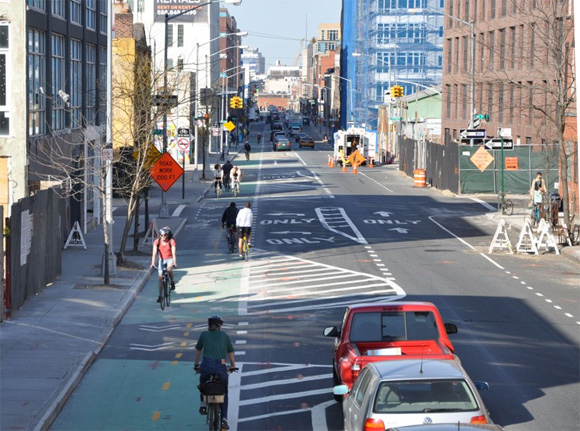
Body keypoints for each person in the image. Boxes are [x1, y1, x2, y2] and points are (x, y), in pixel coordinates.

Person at [194, 315, 236, 431]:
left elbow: (198, 351)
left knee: (202, 381)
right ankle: (224, 419)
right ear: (219, 326)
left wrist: (196, 366)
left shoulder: (204, 335)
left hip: (206, 366)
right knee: (224, 392)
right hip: (221, 367)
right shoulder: (224, 336)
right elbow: (230, 352)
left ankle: (202, 404)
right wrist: (233, 366)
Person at [151, 226, 177, 303]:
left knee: (169, 269)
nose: (163, 237)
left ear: (168, 235)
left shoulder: (171, 241)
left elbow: (174, 253)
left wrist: (175, 262)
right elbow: (154, 253)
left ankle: (172, 281)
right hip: (161, 259)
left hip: (169, 258)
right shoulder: (157, 242)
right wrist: (152, 263)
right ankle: (160, 296)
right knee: (160, 278)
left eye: (165, 235)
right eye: (161, 235)